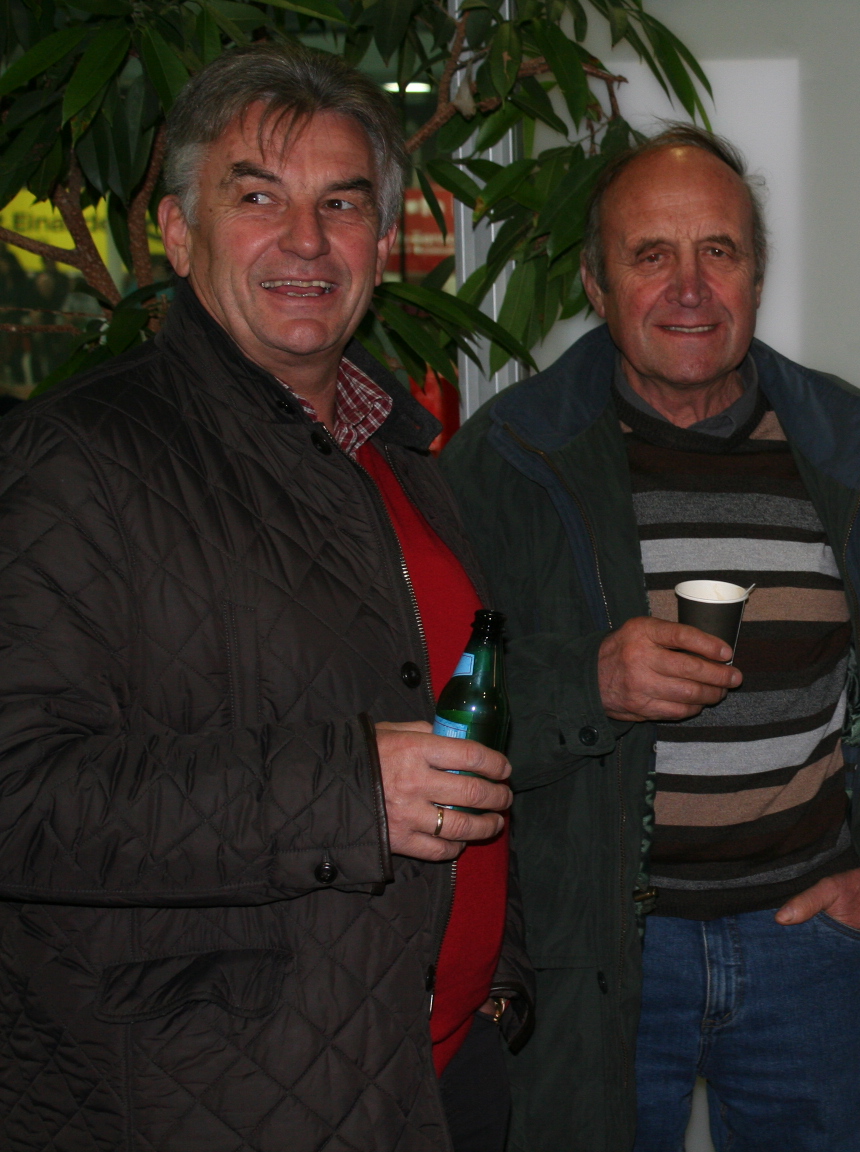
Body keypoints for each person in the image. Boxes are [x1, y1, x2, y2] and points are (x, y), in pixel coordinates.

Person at [0, 44, 529, 1151]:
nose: (306, 240)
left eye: (342, 203)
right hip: (217, 1107)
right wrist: (347, 790)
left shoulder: (403, 460)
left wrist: (497, 981)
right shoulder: (77, 458)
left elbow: (454, 734)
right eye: (257, 198)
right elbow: (23, 798)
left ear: (381, 243)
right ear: (177, 232)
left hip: (436, 1074)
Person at [439, 126, 860, 1152]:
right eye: (651, 255)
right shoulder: (505, 466)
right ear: (596, 285)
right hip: (592, 955)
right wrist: (589, 683)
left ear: (757, 275)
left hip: (809, 944)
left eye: (718, 251)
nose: (689, 288)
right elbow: (438, 700)